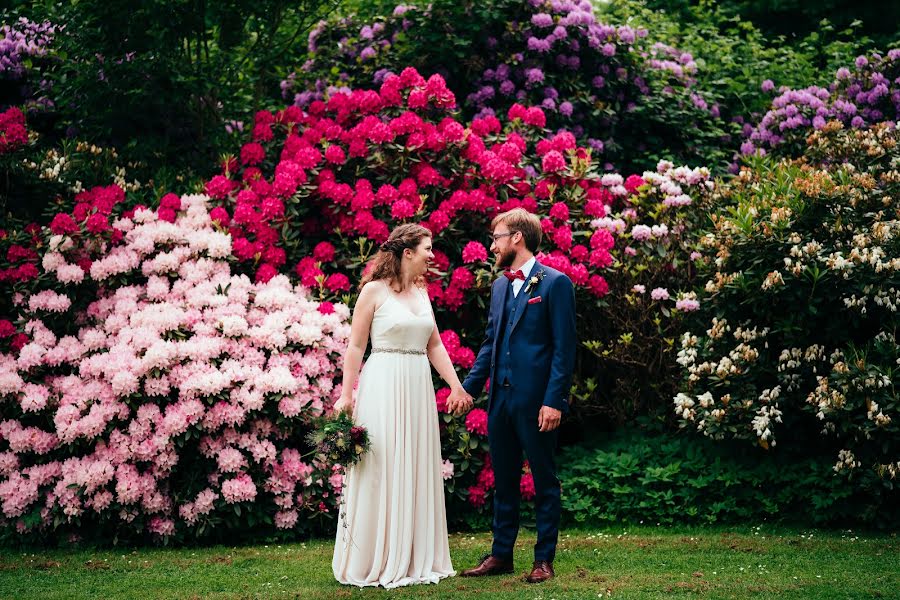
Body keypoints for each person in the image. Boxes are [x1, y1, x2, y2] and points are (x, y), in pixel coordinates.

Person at [331, 223, 473, 588]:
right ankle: (374, 556)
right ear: (407, 252)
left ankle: (412, 555)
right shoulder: (373, 292)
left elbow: (435, 346)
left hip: (416, 385)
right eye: (427, 248)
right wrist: (346, 395)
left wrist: (456, 385)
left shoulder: (423, 292)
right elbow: (355, 348)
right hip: (383, 382)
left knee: (414, 462)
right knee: (383, 464)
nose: (432, 255)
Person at [458, 208, 576, 584]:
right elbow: (491, 344)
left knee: (544, 480)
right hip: (500, 402)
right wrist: (468, 389)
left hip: (538, 403)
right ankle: (501, 555)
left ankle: (544, 560)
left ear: (517, 238)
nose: (493, 245)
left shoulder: (555, 283)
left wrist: (553, 401)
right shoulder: (499, 286)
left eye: (497, 237)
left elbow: (564, 350)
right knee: (504, 480)